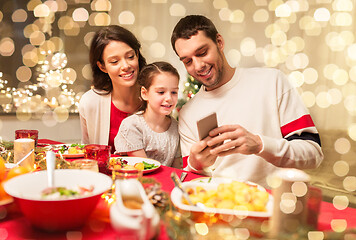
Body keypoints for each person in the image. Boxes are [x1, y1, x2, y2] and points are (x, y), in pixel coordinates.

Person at [171, 15, 323, 187]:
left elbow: (313, 154)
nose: (198, 66)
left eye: (202, 53)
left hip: (275, 203)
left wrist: (260, 145)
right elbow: (192, 183)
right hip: (222, 204)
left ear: (219, 42)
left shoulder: (271, 81)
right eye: (188, 61)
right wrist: (195, 165)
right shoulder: (188, 113)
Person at [79, 25, 146, 153]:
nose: (125, 66)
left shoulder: (156, 96)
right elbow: (86, 151)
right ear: (102, 66)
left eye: (130, 56)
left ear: (137, 55)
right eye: (115, 61)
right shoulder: (90, 102)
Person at [114, 61, 182, 168]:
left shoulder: (176, 127)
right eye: (161, 92)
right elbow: (143, 167)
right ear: (144, 93)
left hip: (167, 182)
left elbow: (177, 169)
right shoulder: (132, 126)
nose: (169, 98)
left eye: (174, 92)